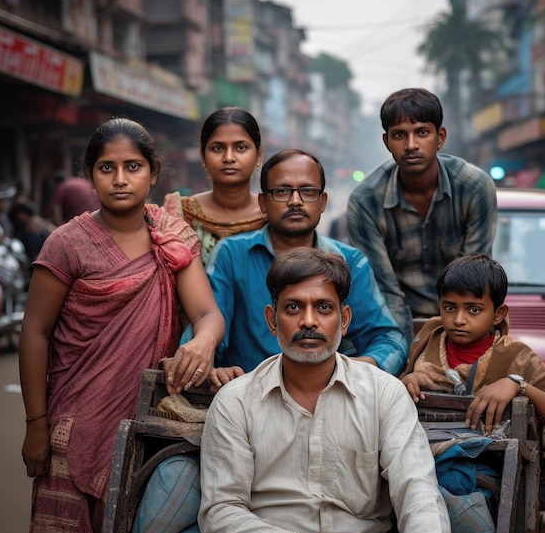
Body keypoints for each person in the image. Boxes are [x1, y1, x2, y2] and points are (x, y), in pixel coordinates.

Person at [19, 117, 226, 533]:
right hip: (71, 425)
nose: (119, 178)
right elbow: (35, 332)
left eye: (132, 166)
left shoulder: (172, 238)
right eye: (106, 167)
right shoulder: (67, 243)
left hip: (142, 421)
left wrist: (201, 340)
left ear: (153, 173)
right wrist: (36, 423)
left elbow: (208, 313)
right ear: (90, 175)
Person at [197, 248, 452, 533]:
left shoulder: (383, 394)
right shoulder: (236, 401)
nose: (308, 321)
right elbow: (220, 514)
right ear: (272, 320)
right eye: (293, 308)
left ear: (344, 320)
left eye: (324, 308)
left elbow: (417, 489)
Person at [201, 148, 408, 389]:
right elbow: (209, 328)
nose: (295, 201)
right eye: (282, 191)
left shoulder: (350, 262)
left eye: (308, 191)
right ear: (263, 202)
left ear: (323, 202)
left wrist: (353, 372)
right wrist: (215, 368)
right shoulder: (232, 255)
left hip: (329, 397)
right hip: (247, 395)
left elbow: (389, 341)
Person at [347, 88, 498, 342]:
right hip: (394, 324)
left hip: (464, 321)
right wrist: (403, 357)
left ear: (440, 138)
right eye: (399, 135)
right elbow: (385, 291)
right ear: (387, 142)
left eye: (422, 132)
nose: (411, 145)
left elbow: (474, 280)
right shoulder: (365, 201)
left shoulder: (474, 187)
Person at [400, 252, 545, 448]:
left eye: (474, 310)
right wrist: (406, 384)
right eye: (450, 308)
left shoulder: (516, 358)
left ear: (498, 314)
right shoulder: (426, 341)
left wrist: (520, 387)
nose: (459, 319)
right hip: (419, 453)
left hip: (487, 468)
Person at [163, 106, 267, 265]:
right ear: (202, 156)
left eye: (240, 147)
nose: (229, 157)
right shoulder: (179, 213)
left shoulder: (273, 213)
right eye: (218, 148)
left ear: (258, 155)